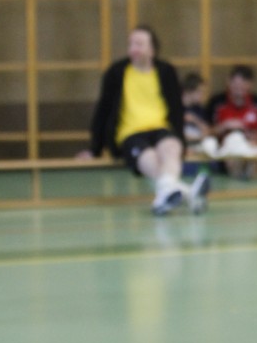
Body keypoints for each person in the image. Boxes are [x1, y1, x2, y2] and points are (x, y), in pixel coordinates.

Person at [80, 26, 210, 216]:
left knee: (172, 147)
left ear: (152, 49)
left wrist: (181, 142)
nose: (133, 48)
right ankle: (188, 193)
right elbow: (103, 110)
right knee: (149, 157)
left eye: (139, 44)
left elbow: (176, 109)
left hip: (161, 128)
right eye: (131, 44)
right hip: (130, 133)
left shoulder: (166, 71)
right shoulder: (116, 72)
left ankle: (165, 198)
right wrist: (94, 149)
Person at [206, 65, 257, 179]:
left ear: (250, 85)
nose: (238, 88)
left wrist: (255, 139)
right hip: (226, 149)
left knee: (253, 161)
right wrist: (225, 126)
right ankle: (237, 174)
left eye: (242, 85)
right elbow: (207, 132)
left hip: (253, 148)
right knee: (234, 143)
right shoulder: (216, 103)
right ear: (228, 82)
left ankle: (252, 175)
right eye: (235, 84)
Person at [181, 72, 211, 148]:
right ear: (189, 91)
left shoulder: (199, 109)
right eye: (200, 92)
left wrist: (194, 120)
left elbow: (207, 131)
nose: (202, 95)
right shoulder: (176, 108)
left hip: (198, 144)